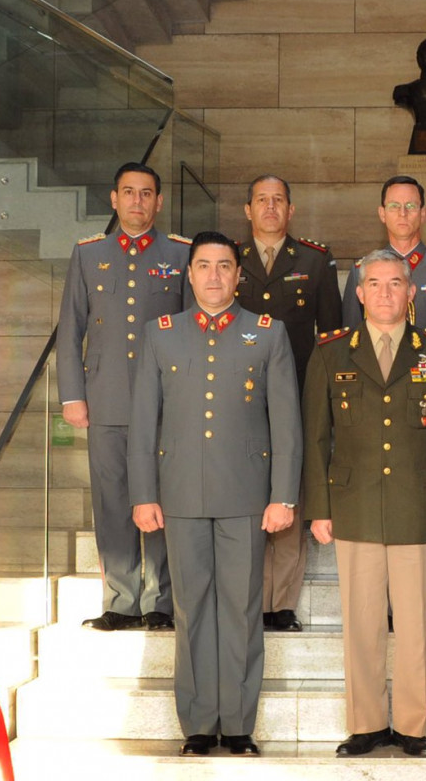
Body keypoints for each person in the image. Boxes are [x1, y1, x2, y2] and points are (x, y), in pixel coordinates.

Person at [127, 231, 302, 757]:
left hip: (246, 496)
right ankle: (199, 724)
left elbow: (286, 424)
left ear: (238, 274)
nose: (214, 276)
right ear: (189, 272)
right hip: (179, 495)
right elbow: (143, 422)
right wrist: (143, 493)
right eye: (203, 265)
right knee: (191, 608)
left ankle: (240, 723)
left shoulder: (267, 334)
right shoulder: (162, 334)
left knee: (243, 609)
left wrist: (283, 496)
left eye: (224, 266)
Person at [303, 250, 426, 758]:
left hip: (417, 507)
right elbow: (315, 439)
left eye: (395, 283)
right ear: (358, 292)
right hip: (353, 505)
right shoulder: (331, 352)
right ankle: (367, 724)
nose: (383, 293)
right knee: (361, 623)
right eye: (373, 283)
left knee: (416, 624)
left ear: (411, 292)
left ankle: (412, 727)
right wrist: (319, 507)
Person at [56, 161, 190, 632]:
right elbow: (70, 330)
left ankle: (160, 600)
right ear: (114, 199)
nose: (137, 201)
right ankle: (120, 599)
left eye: (146, 193)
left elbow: (191, 332)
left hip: (164, 404)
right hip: (106, 398)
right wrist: (72, 395)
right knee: (112, 500)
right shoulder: (90, 254)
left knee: (158, 498)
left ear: (158, 200)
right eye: (128, 192)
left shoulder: (180, 255)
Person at [341, 175, 426, 632]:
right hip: (374, 406)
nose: (404, 214)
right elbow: (349, 338)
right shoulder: (361, 270)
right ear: (381, 213)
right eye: (395, 205)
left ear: (424, 213)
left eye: (412, 206)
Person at [237, 174, 342, 632]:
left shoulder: (315, 261)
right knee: (246, 498)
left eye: (279, 200)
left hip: (297, 397)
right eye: (262, 200)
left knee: (289, 500)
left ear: (291, 210)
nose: (270, 207)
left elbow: (334, 334)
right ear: (248, 210)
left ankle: (281, 603)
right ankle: (249, 598)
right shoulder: (228, 261)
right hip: (236, 401)